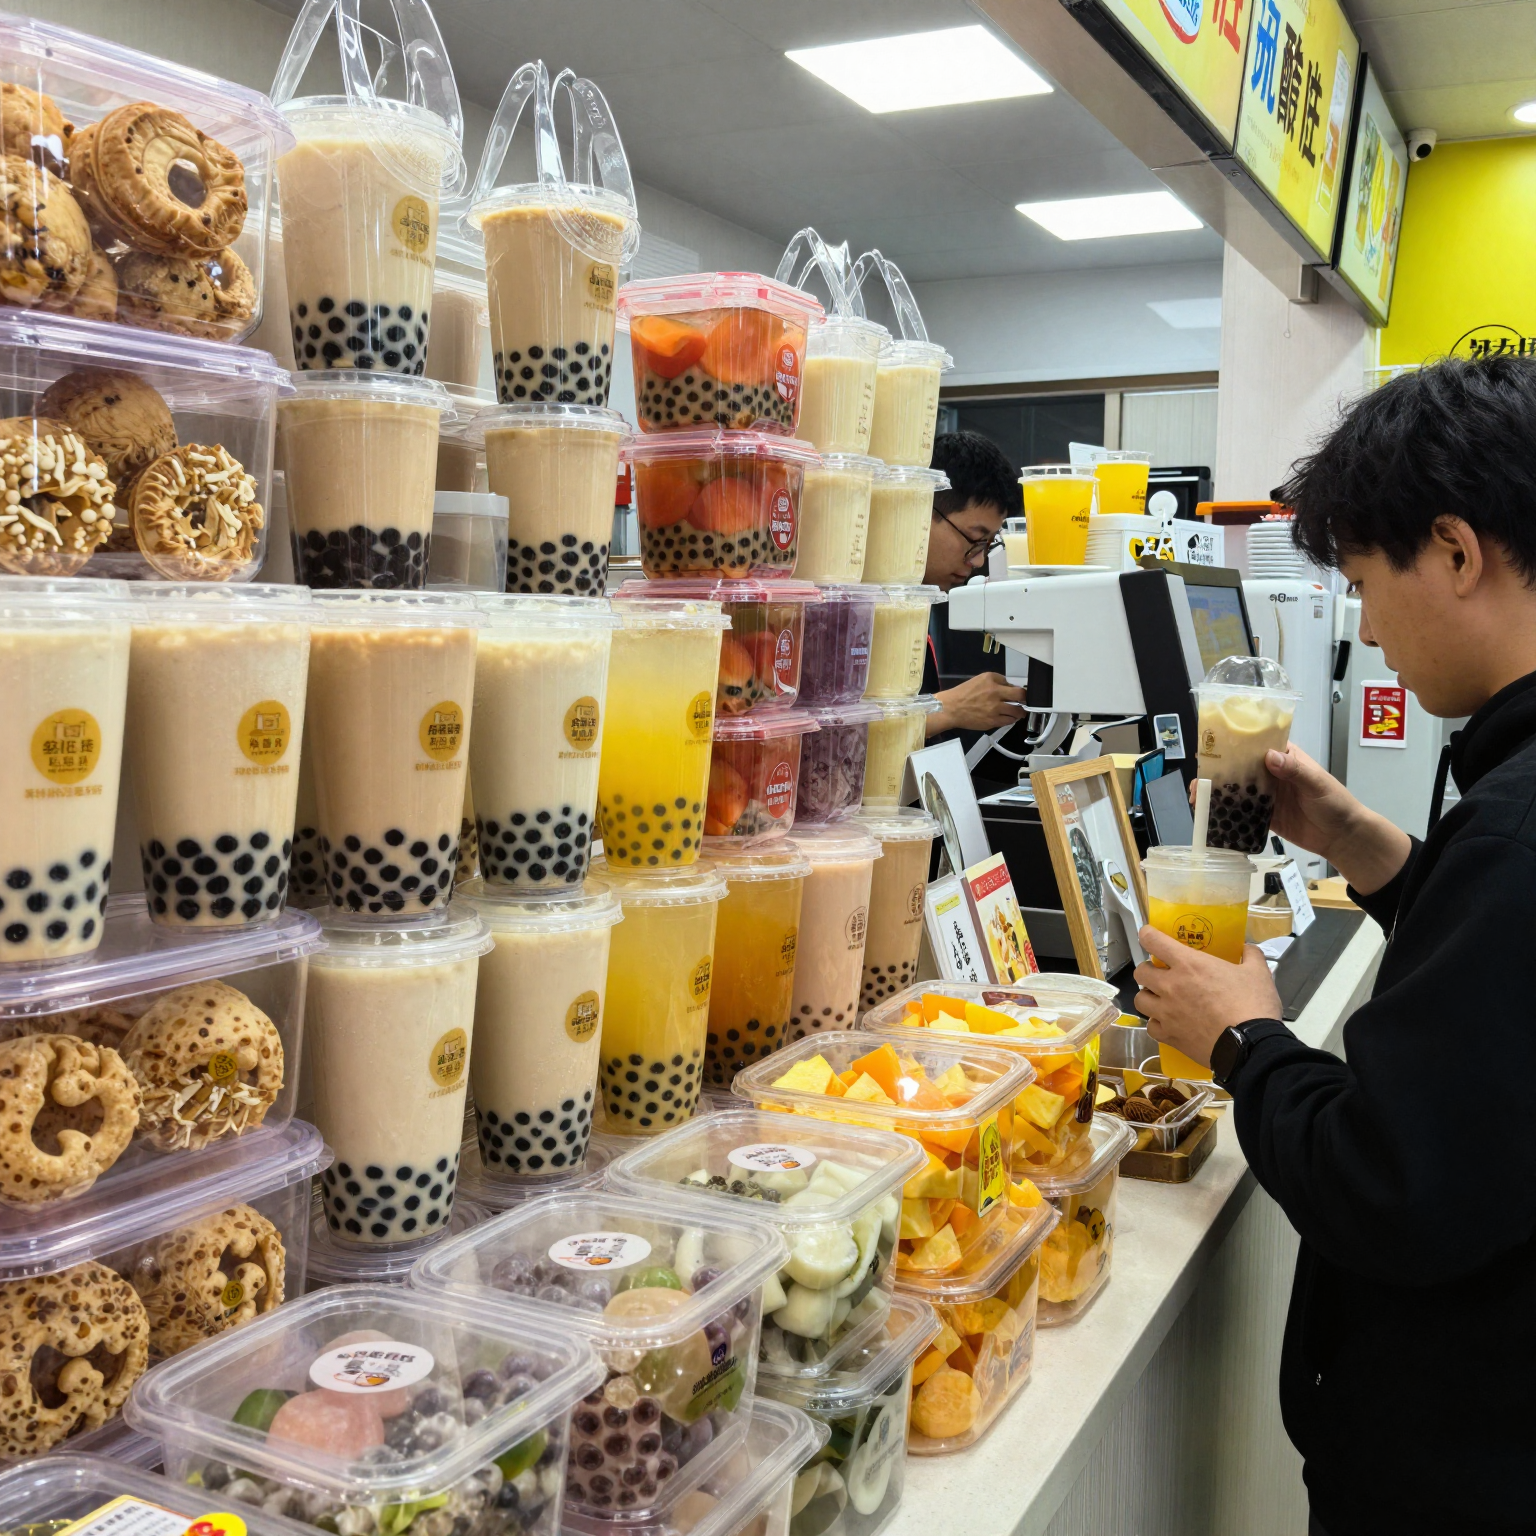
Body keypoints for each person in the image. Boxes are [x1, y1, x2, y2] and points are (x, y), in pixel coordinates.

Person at [1130, 356, 1536, 1536]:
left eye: (1363, 580)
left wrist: (1245, 1039)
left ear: (1456, 552)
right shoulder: (1507, 810)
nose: (1365, 624)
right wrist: (1380, 853)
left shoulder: (1515, 832)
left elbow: (1389, 1185)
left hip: (1461, 1462)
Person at [920, 430, 1026, 737]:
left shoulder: (917, 605)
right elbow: (837, 729)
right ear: (922, 506)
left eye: (988, 544)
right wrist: (948, 708)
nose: (977, 561)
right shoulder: (850, 601)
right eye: (974, 539)